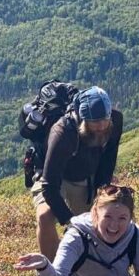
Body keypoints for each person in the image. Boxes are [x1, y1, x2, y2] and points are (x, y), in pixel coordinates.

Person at [32, 86, 123, 260]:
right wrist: (69, 220)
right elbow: (50, 186)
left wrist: (102, 191)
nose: (101, 130)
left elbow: (108, 160)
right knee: (45, 216)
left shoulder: (115, 121)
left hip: (86, 176)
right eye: (95, 127)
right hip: (53, 177)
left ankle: (102, 264)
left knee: (101, 217)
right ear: (83, 120)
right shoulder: (63, 132)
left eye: (104, 124)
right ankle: (53, 274)